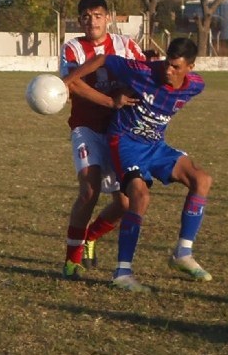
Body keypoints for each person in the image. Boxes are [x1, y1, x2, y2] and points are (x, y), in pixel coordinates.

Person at [64, 37, 212, 292]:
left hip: (155, 145)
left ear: (191, 67)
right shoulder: (143, 72)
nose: (168, 70)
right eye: (167, 63)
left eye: (176, 67)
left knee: (202, 180)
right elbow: (103, 59)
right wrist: (67, 82)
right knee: (139, 197)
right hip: (125, 143)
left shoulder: (196, 86)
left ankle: (182, 253)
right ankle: (122, 272)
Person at [58, 0, 145, 281]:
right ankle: (72, 261)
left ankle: (90, 237)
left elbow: (143, 77)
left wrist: (124, 94)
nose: (92, 21)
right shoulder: (71, 48)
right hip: (86, 128)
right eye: (86, 16)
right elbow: (75, 86)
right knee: (89, 191)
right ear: (79, 20)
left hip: (120, 130)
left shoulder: (126, 45)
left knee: (125, 203)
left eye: (97, 15)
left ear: (107, 17)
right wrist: (110, 102)